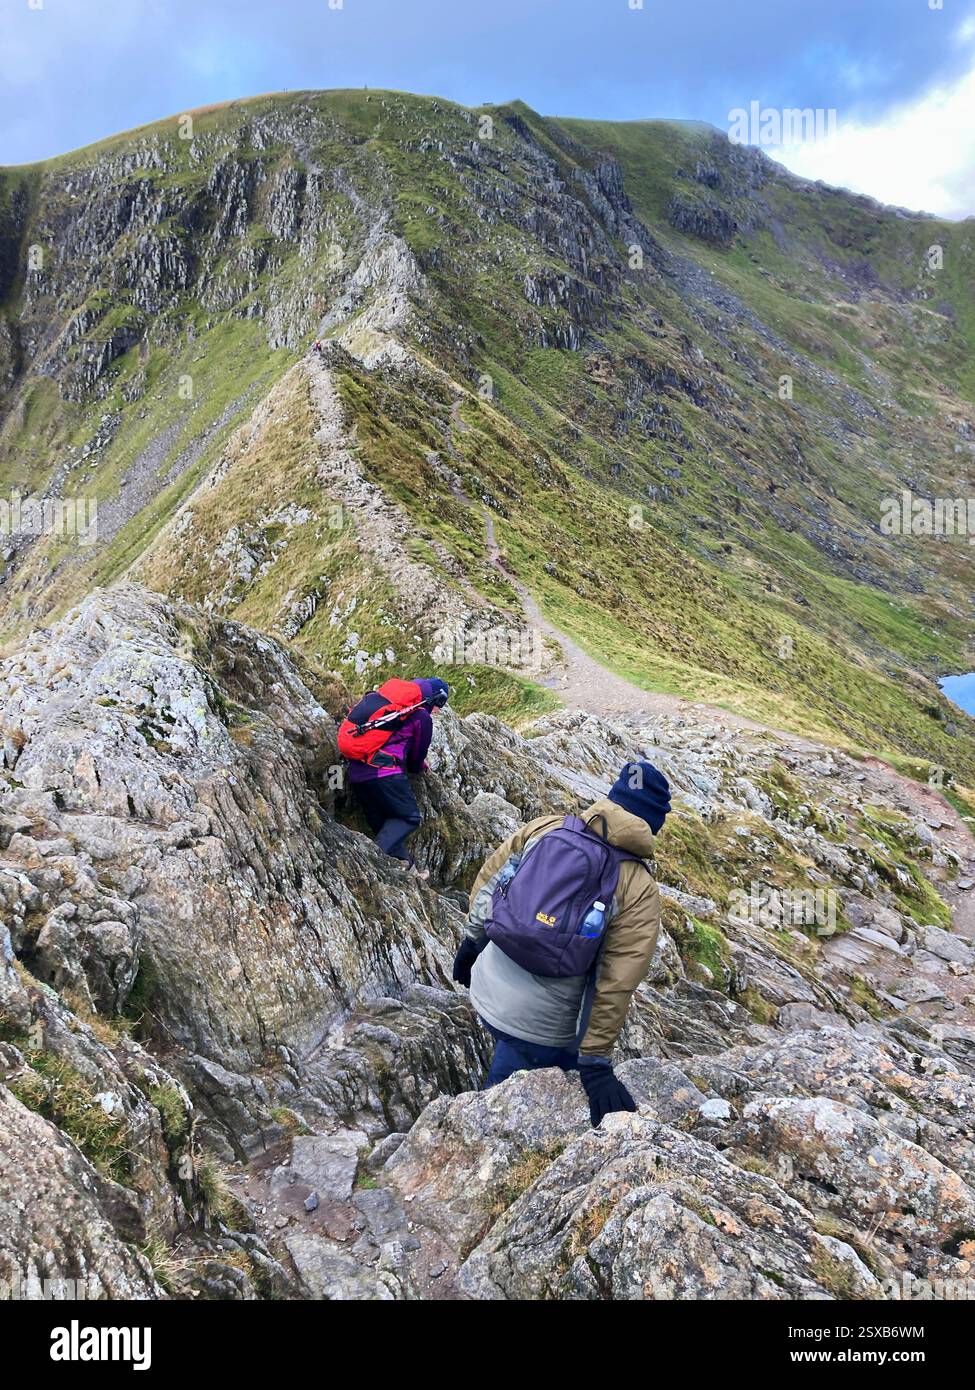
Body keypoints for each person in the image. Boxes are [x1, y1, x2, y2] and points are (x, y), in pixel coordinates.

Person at [452, 761, 671, 1125]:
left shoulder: (547, 827)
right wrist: (596, 1061)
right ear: (653, 824)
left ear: (612, 798)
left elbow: (491, 884)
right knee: (497, 1118)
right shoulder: (637, 887)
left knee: (507, 1050)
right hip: (543, 1032)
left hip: (486, 987)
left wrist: (471, 944)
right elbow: (615, 982)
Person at [345, 677, 449, 877]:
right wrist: (419, 766)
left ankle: (407, 865)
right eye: (439, 706)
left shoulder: (386, 704)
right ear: (435, 699)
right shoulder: (421, 716)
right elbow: (417, 757)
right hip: (384, 774)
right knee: (409, 817)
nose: (437, 711)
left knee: (387, 825)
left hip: (357, 775)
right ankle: (369, 860)